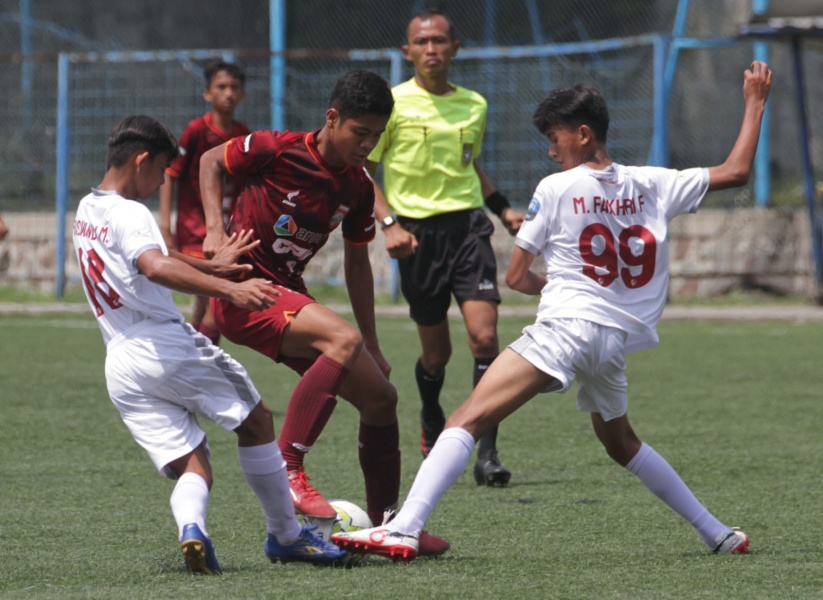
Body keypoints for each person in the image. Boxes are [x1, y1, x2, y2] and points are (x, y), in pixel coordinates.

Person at [333, 61, 773, 562]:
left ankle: (404, 528)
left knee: (466, 418)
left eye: (555, 137)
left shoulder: (555, 188)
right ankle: (718, 533)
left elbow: (518, 277)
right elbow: (736, 171)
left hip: (566, 329)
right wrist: (755, 101)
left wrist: (557, 286)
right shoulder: (654, 182)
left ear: (583, 135)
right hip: (611, 341)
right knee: (622, 442)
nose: (550, 149)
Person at [72, 115, 348, 574]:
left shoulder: (88, 210)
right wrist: (232, 290)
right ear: (142, 160)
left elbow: (151, 256)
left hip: (120, 363)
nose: (161, 181)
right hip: (164, 345)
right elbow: (155, 267)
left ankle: (193, 531)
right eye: (160, 170)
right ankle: (286, 535)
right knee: (258, 422)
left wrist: (211, 265)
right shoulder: (130, 211)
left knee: (193, 465)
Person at [199, 70, 450, 556]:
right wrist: (213, 230)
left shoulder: (357, 188)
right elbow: (211, 160)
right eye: (361, 133)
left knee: (381, 397)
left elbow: (359, 265)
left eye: (378, 136)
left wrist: (373, 343)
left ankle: (388, 525)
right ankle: (288, 465)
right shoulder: (277, 148)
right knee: (341, 340)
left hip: (287, 295)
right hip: (241, 290)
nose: (368, 145)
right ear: (332, 118)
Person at [366, 9, 525, 486]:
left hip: (469, 229)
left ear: (456, 48)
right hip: (416, 237)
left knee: (484, 337)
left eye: (439, 41)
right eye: (422, 41)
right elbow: (363, 171)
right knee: (436, 356)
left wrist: (502, 208)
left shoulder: (474, 104)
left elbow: (468, 166)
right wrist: (389, 224)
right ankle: (432, 416)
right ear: (407, 51)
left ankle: (486, 453)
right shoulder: (390, 104)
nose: (431, 48)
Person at [159, 61, 250, 345]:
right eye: (221, 87)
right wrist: (165, 224)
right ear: (207, 94)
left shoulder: (243, 134)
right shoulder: (197, 131)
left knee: (207, 303)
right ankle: (203, 358)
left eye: (234, 88)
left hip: (227, 232)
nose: (228, 93)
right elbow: (170, 174)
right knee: (216, 300)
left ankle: (191, 353)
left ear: (242, 94)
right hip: (195, 230)